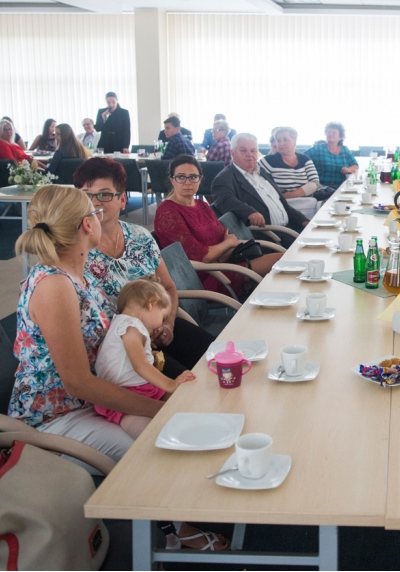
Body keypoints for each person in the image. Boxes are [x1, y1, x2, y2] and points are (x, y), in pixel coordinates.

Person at [9, 186, 227, 551]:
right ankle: (172, 533)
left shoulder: (80, 275)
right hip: (57, 415)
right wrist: (158, 407)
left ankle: (175, 519)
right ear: (86, 226)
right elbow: (78, 383)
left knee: (175, 430)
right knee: (153, 448)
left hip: (95, 402)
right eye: (94, 212)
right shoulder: (54, 286)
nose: (100, 216)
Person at [74, 156, 215, 378]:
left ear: (122, 200)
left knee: (221, 358)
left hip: (160, 330)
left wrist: (167, 324)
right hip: (119, 351)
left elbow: (168, 287)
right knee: (188, 387)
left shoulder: (139, 236)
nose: (94, 202)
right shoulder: (75, 251)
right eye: (86, 195)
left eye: (104, 194)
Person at [155, 155, 282, 297]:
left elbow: (226, 237)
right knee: (279, 262)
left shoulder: (202, 205)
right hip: (205, 278)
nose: (187, 182)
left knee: (280, 266)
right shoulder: (167, 212)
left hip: (224, 265)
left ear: (200, 179)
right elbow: (202, 257)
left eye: (193, 177)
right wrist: (225, 245)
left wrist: (222, 249)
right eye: (181, 177)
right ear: (172, 180)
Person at [93, 277, 196, 438]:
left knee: (184, 403)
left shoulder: (120, 323)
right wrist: (170, 383)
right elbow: (139, 365)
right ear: (151, 304)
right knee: (149, 434)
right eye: (162, 317)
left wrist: (151, 356)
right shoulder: (132, 327)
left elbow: (127, 358)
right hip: (127, 395)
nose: (160, 325)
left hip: (137, 388)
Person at [211, 134, 309, 239]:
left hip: (289, 229)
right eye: (243, 151)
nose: (249, 154)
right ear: (233, 153)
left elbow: (281, 203)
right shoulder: (224, 178)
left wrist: (304, 220)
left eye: (253, 151)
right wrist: (249, 211)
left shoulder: (262, 172)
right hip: (268, 236)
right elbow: (225, 200)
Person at [258, 126, 320, 198]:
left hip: (307, 202)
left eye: (285, 139)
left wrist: (291, 195)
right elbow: (258, 183)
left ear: (294, 142)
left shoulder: (305, 159)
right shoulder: (267, 161)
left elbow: (315, 183)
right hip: (282, 204)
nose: (281, 143)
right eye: (278, 140)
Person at [306, 122, 358, 188]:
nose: (330, 134)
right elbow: (301, 158)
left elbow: (355, 165)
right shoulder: (317, 148)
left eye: (334, 132)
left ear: (340, 137)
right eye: (328, 132)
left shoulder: (345, 150)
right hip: (322, 187)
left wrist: (349, 169)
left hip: (341, 187)